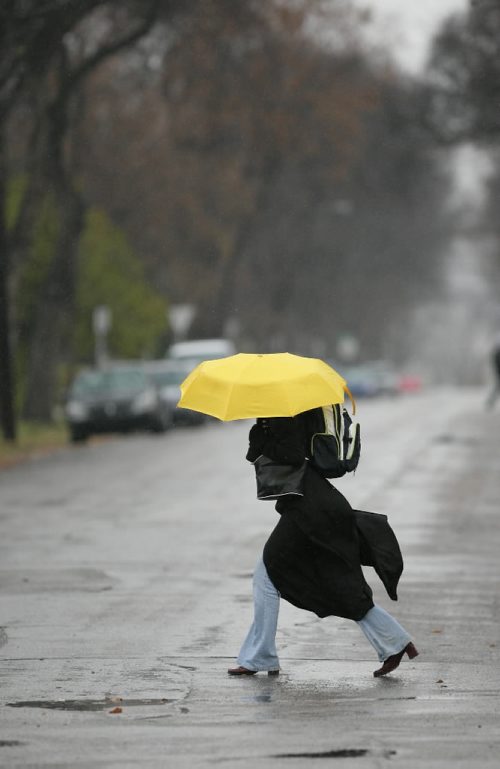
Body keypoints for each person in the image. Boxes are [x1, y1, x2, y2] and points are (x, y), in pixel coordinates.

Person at [228, 409, 418, 678]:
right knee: (338, 585)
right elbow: (256, 455)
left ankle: (260, 657)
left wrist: (264, 435)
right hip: (312, 506)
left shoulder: (287, 414)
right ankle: (396, 642)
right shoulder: (273, 417)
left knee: (268, 574)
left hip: (312, 508)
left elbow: (292, 455)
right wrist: (259, 431)